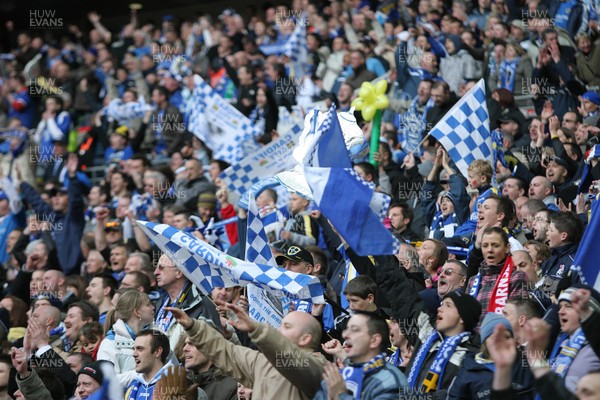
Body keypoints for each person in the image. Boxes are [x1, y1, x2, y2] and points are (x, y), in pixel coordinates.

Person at [163, 304, 326, 399]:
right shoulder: (262, 363)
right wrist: (193, 327)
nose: (278, 329)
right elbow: (226, 351)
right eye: (281, 324)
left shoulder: (318, 367)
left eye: (287, 326)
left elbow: (291, 360)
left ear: (305, 339)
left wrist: (258, 330)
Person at [313, 311, 409, 399]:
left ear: (374, 340)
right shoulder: (338, 377)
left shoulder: (391, 381)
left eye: (355, 330)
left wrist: (340, 395)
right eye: (346, 330)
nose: (345, 335)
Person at [447, 312, 534, 400]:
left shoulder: (527, 360)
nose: (502, 342)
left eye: (507, 337)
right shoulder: (467, 370)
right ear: (485, 342)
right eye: (496, 338)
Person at [467, 227, 529, 324]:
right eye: (485, 245)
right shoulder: (472, 281)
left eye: (495, 245)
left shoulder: (517, 277)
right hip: (473, 337)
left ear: (507, 248)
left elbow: (516, 317)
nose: (489, 250)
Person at [97, 290, 155, 375]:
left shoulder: (158, 336)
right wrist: (143, 374)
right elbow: (109, 381)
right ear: (137, 312)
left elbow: (173, 368)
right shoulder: (109, 343)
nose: (153, 307)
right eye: (148, 304)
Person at [180, 333, 238, 400]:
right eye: (185, 344)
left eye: (192, 343)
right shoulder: (183, 384)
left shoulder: (232, 387)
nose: (184, 348)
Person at [124, 329, 173, 399]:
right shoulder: (131, 388)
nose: (134, 354)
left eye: (140, 349)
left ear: (157, 352)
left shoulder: (175, 386)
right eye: (133, 349)